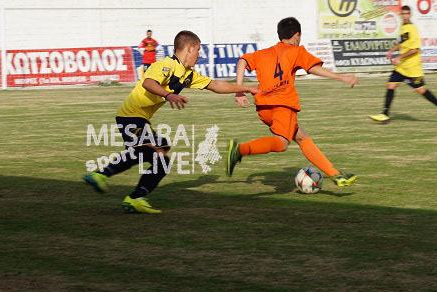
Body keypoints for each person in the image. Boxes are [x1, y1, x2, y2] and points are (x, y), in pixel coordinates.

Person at [84, 30, 258, 214]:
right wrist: (169, 95)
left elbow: (215, 85)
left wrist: (246, 88)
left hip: (140, 119)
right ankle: (101, 175)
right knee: (154, 147)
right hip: (130, 117)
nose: (199, 55)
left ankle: (135, 198)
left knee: (161, 161)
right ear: (190, 48)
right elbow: (148, 83)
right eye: (198, 50)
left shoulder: (188, 74)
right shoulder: (165, 64)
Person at [224, 17, 359, 187]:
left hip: (263, 109)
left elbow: (242, 61)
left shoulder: (262, 53)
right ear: (296, 35)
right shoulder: (297, 51)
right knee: (281, 144)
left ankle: (337, 175)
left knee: (301, 137)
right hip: (283, 106)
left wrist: (239, 89)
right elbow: (313, 68)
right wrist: (341, 77)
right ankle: (238, 150)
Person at [370, 5, 437, 124]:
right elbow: (401, 41)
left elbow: (415, 50)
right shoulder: (403, 27)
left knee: (421, 90)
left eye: (407, 14)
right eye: (403, 14)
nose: (405, 16)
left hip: (413, 68)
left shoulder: (413, 29)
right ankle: (385, 114)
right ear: (401, 15)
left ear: (410, 14)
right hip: (402, 67)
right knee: (390, 86)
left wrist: (399, 57)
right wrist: (391, 51)